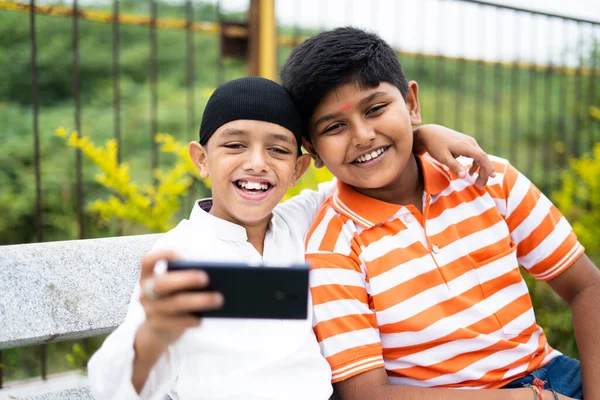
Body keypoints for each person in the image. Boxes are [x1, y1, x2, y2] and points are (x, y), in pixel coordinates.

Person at [87, 76, 495, 400]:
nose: (257, 163)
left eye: (278, 150)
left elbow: (364, 167)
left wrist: (421, 135)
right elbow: (114, 389)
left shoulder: (300, 222)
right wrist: (153, 336)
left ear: (298, 169)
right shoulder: (180, 255)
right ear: (201, 159)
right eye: (234, 145)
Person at [280, 27, 600, 400]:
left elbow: (586, 286)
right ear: (312, 150)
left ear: (411, 103)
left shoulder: (486, 178)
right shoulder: (333, 248)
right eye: (335, 127)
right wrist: (527, 399)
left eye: (377, 109)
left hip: (553, 377)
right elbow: (367, 394)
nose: (363, 135)